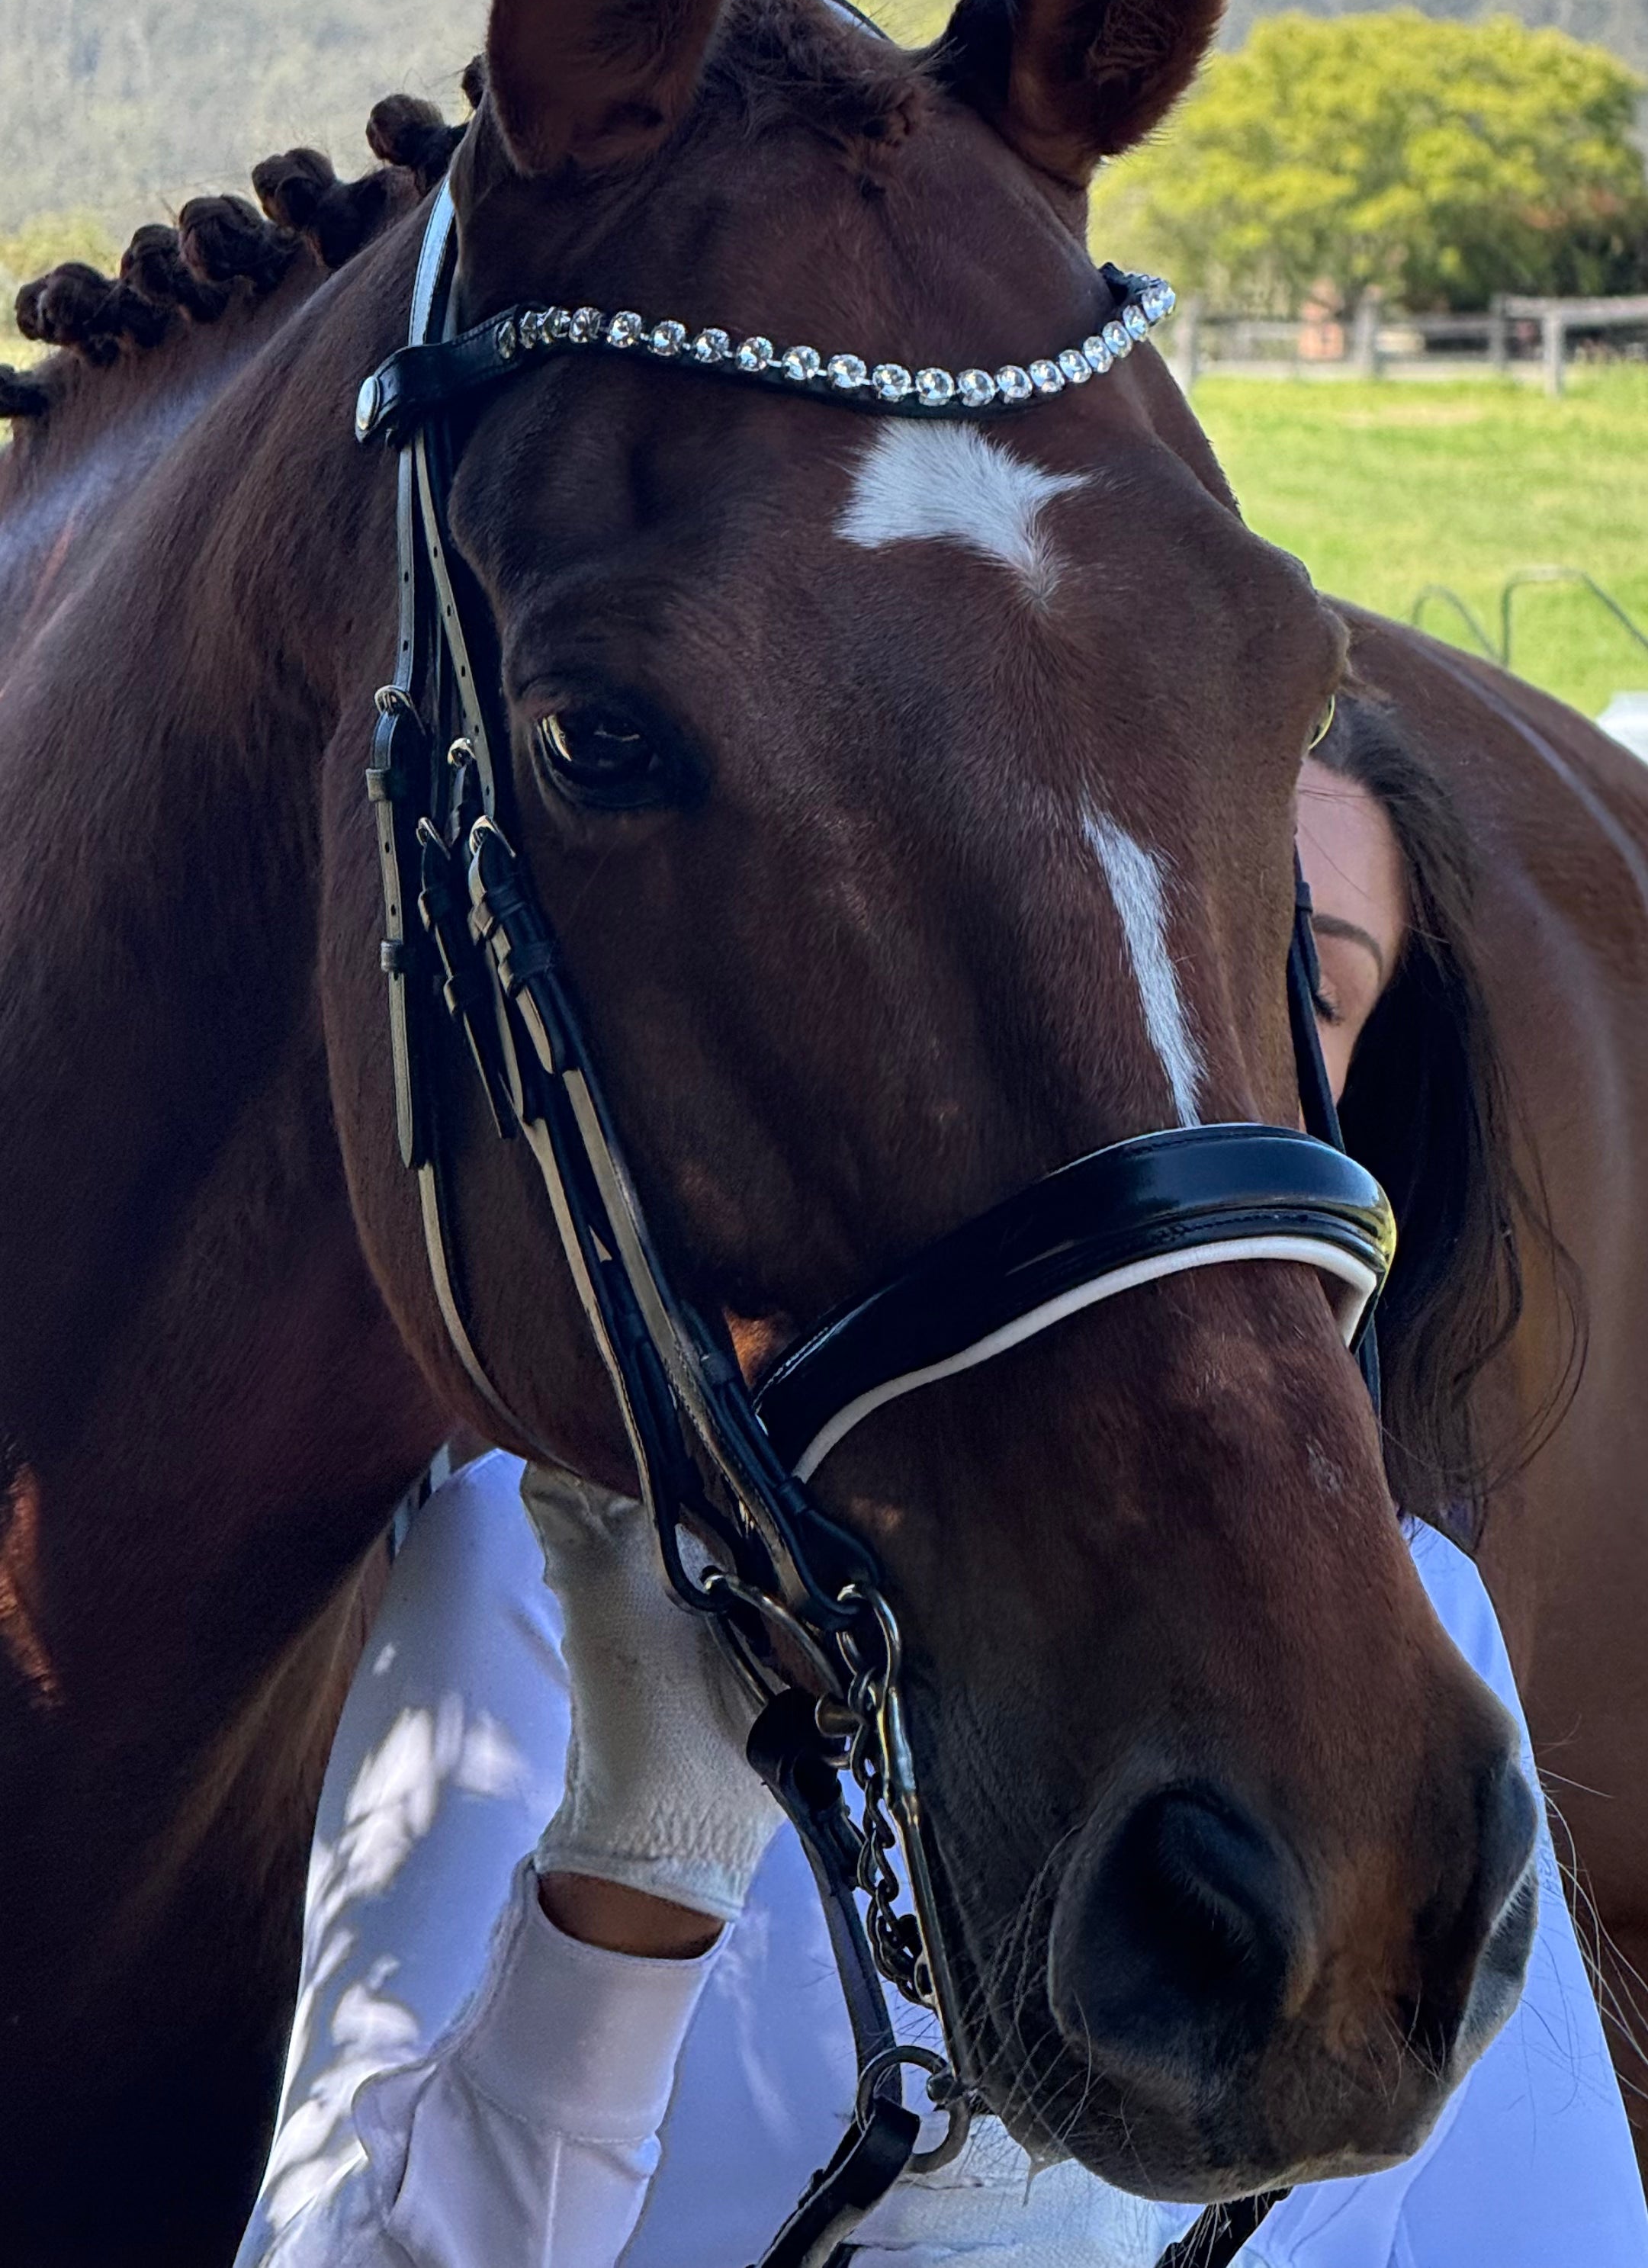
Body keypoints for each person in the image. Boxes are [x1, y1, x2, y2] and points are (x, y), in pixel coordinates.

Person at [236, 732, 1648, 2268]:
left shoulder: (1432, 1617)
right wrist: (628, 1880)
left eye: (1298, 975)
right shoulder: (543, 1563)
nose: (1165, 1034)